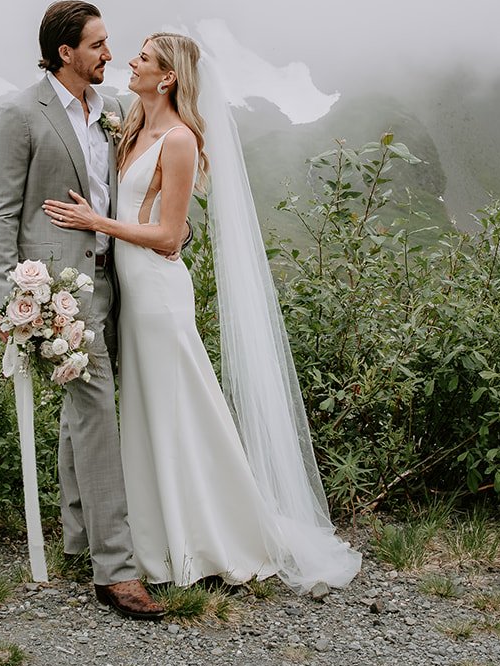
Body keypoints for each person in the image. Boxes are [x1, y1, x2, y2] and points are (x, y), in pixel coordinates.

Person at [44, 31, 361, 591]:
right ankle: (159, 537)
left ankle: (213, 535)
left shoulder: (181, 140)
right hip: (131, 289)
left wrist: (98, 223)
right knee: (148, 411)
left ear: (167, 77)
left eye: (142, 57)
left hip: (159, 294)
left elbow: (169, 233)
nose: (129, 62)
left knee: (179, 408)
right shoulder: (132, 126)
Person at [0, 0, 165, 620]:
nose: (110, 54)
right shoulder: (18, 114)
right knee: (94, 409)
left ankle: (77, 537)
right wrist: (10, 299)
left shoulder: (114, 111)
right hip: (56, 288)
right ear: (66, 52)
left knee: (78, 415)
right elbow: (1, 214)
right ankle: (115, 569)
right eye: (99, 45)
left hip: (119, 279)